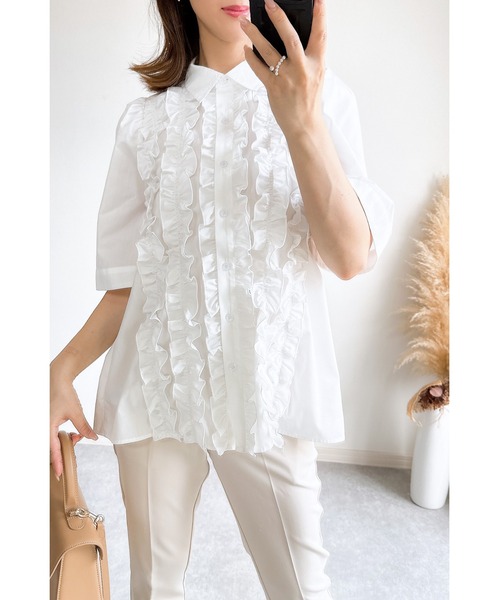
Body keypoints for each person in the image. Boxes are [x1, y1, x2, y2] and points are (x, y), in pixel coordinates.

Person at [50, 0, 394, 598]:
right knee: (153, 587)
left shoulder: (321, 99)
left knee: (301, 588)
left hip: (266, 397)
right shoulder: (144, 122)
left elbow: (347, 257)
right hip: (155, 389)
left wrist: (301, 124)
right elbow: (131, 284)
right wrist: (61, 369)